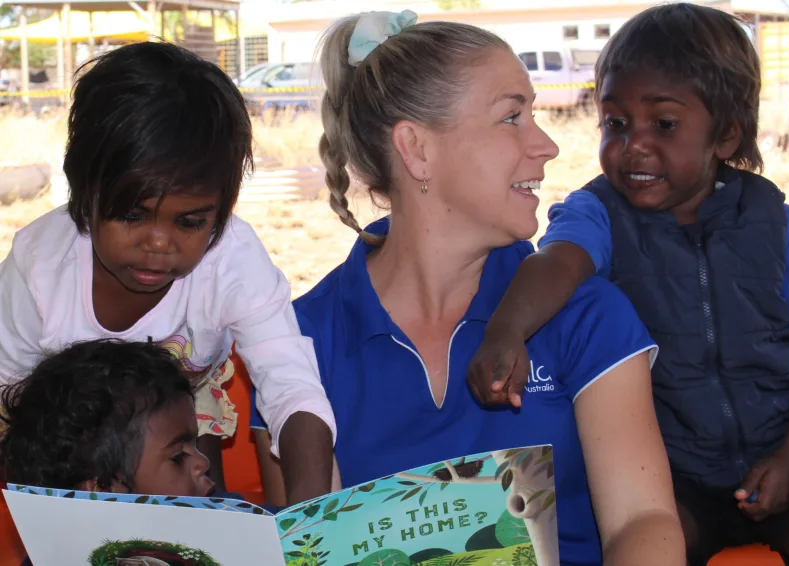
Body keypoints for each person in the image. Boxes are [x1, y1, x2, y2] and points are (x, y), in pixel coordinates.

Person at [250, 10, 685, 565]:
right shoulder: (298, 346)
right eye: (512, 118)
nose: (546, 144)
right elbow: (310, 547)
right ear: (417, 149)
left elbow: (641, 520)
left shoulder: (586, 316)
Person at [466, 4, 789, 565]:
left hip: (786, 457)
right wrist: (507, 331)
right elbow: (559, 261)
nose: (633, 146)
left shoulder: (778, 228)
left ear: (726, 135)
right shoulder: (598, 214)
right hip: (675, 479)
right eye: (615, 124)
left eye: (663, 125)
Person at [0, 41, 335, 505]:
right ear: (84, 190)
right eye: (132, 215)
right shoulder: (39, 266)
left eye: (191, 222)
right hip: (68, 442)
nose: (159, 244)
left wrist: (310, 520)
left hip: (186, 415)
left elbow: (292, 387)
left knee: (200, 515)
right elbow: (9, 407)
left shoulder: (233, 259)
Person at [0, 339, 281, 566]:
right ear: (101, 491)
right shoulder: (55, 557)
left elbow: (298, 533)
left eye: (194, 446)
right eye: (177, 456)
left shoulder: (229, 516)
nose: (202, 462)